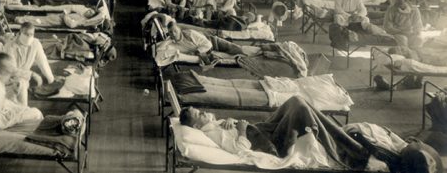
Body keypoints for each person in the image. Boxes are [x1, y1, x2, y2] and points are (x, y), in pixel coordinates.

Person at [180, 97, 441, 173]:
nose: (204, 112)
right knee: (301, 108)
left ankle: (345, 142)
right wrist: (239, 128)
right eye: (199, 114)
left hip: (264, 131)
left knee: (297, 103)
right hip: (269, 144)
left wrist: (232, 123)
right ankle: (359, 156)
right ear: (197, 126)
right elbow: (240, 149)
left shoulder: (213, 126)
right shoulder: (212, 135)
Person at [3, 22, 55, 104]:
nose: (29, 37)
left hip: (24, 78)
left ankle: (23, 108)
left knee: (22, 83)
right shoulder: (10, 46)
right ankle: (22, 108)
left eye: (31, 34)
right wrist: (31, 74)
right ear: (20, 32)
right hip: (9, 78)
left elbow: (42, 61)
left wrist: (50, 78)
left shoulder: (35, 43)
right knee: (19, 87)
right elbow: (11, 69)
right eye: (26, 34)